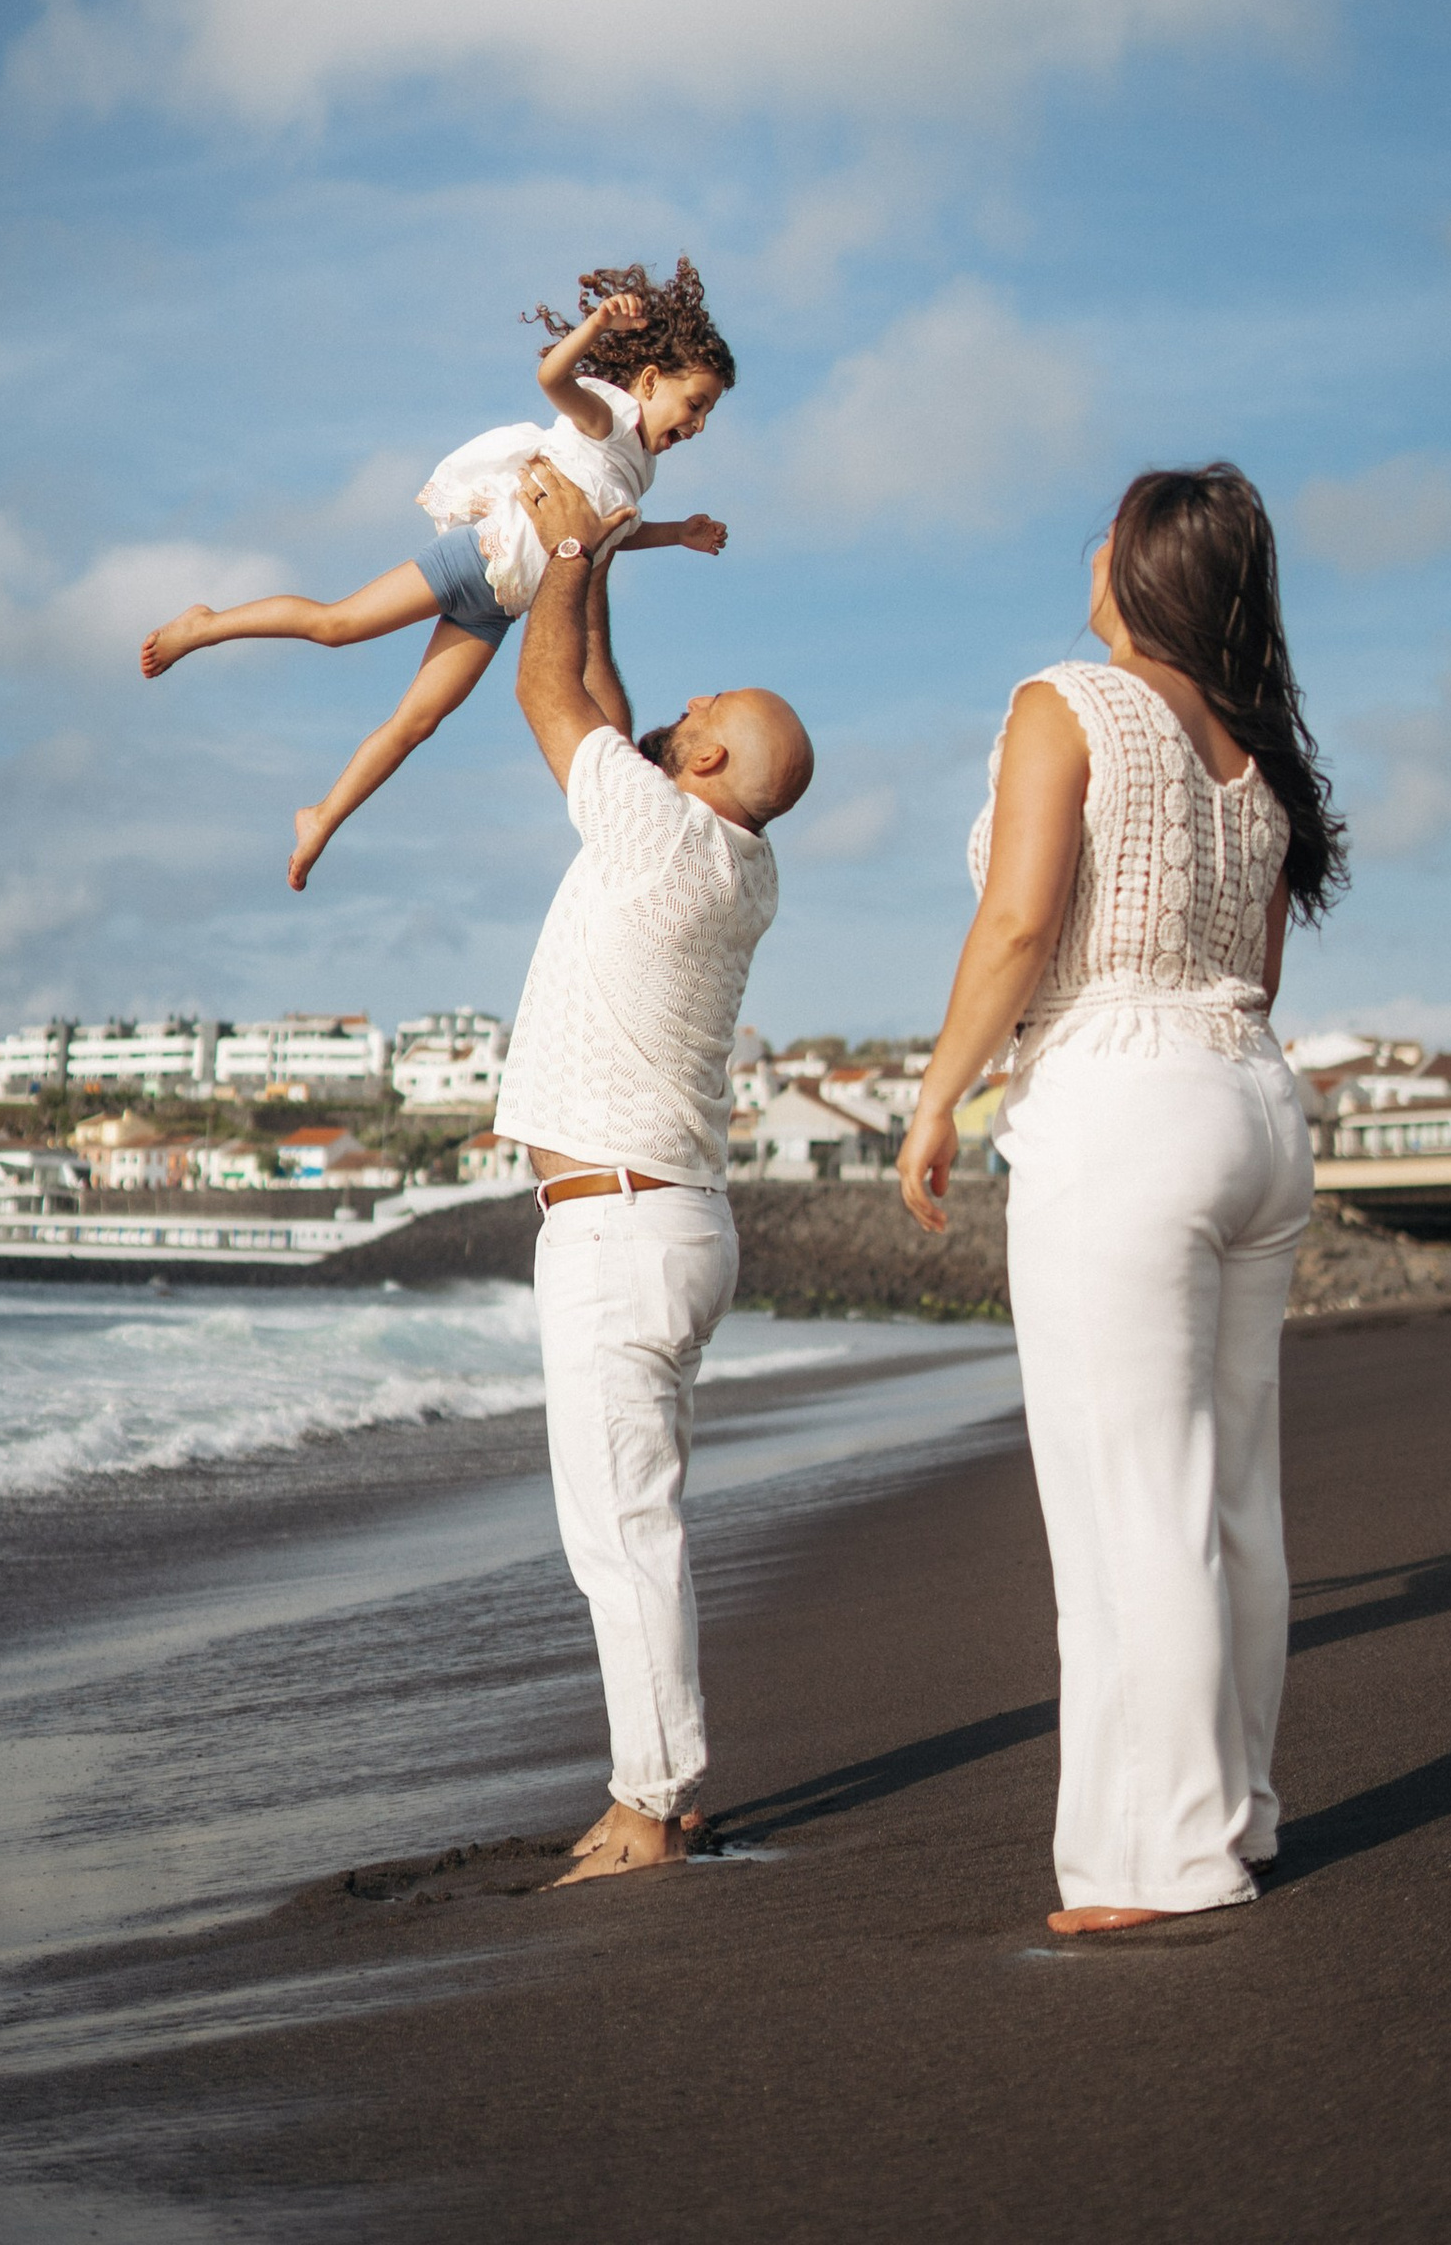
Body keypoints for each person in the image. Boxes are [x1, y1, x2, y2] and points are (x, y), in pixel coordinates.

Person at [897, 463, 1346, 1937]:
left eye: (1106, 531)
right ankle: (1237, 1816)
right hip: (1255, 1103)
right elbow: (1262, 979)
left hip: (1125, 1102)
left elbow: (1021, 919)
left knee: (1124, 1507)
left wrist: (940, 1092)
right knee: (1232, 1496)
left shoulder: (1067, 703)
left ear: (1144, 568)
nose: (1084, 546)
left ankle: (1162, 1863)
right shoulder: (1260, 757)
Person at [496, 452, 813, 1885]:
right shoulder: (729, 860)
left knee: (621, 1531)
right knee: (636, 1516)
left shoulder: (666, 841)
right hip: (669, 1219)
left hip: (622, 1226)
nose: (684, 712)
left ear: (709, 768)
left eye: (706, 718)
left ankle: (653, 1800)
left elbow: (552, 703)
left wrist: (564, 558)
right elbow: (612, 719)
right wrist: (607, 563)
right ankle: (659, 1780)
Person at [137, 262, 734, 889]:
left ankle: (321, 816)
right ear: (647, 380)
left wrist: (677, 534)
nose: (697, 425)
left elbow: (605, 533)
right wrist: (596, 324)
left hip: (498, 607)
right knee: (336, 624)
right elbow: (550, 376)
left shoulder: (639, 469)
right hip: (473, 560)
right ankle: (204, 625)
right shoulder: (608, 419)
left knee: (416, 723)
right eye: (694, 404)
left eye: (707, 414)